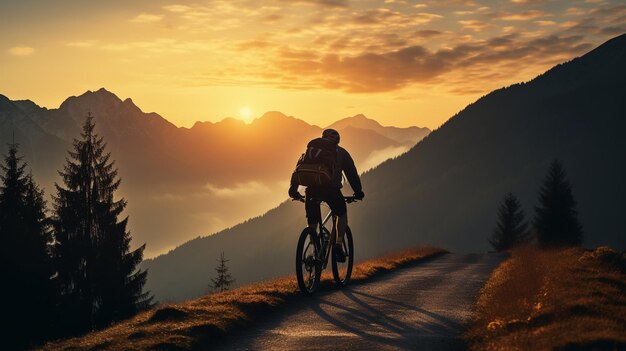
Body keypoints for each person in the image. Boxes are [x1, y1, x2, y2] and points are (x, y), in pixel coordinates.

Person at [288, 129, 365, 262]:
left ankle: (314, 249)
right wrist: (358, 192)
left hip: (311, 190)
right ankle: (339, 244)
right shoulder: (341, 152)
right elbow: (351, 174)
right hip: (331, 191)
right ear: (337, 141)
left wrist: (293, 191)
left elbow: (300, 169)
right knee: (341, 214)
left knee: (312, 223)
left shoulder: (311, 151)